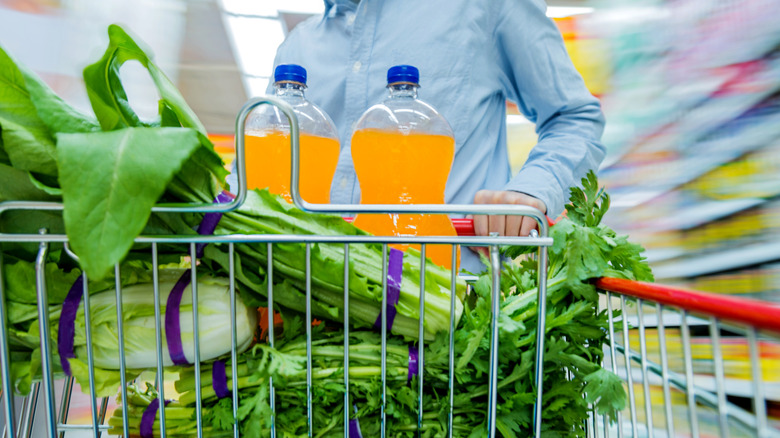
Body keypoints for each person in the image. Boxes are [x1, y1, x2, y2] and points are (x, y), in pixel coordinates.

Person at [265, 0, 606, 272]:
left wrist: (529, 190)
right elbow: (260, 169)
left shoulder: (485, 7)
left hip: (448, 308)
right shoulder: (297, 47)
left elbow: (573, 116)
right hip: (307, 304)